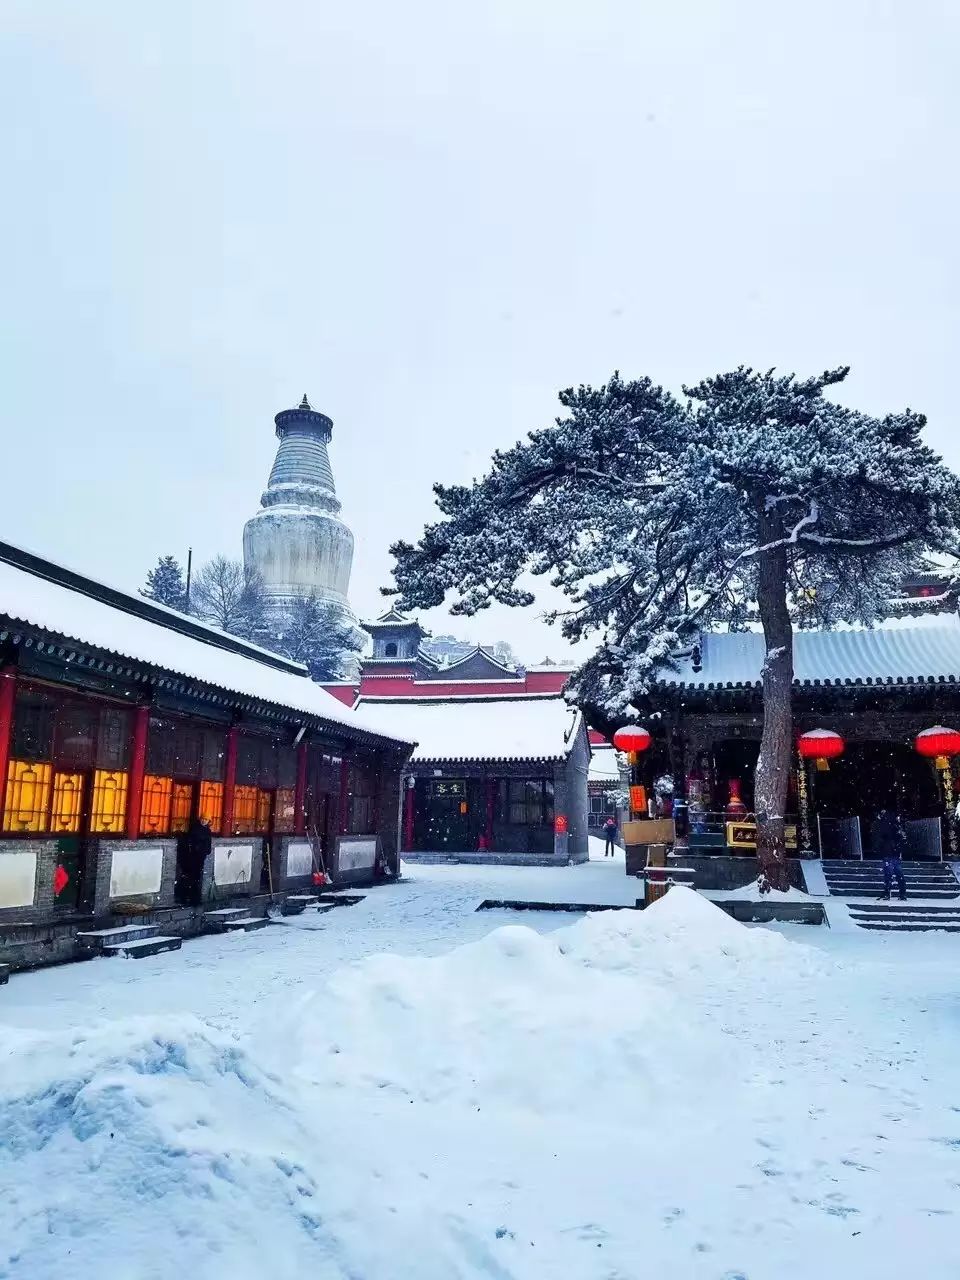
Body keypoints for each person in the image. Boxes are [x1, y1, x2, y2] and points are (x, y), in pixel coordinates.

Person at [871, 807, 907, 901]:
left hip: (889, 852)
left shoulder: (884, 825)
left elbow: (880, 837)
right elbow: (900, 837)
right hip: (893, 852)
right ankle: (901, 893)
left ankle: (888, 893)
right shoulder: (894, 825)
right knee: (898, 874)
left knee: (889, 874)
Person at [177, 815, 212, 907]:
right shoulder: (195, 829)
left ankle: (194, 898)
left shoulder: (207, 830)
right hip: (192, 857)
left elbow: (208, 843)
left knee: (196, 878)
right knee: (191, 877)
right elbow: (192, 842)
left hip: (200, 856)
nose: (204, 821)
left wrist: (207, 850)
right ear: (200, 819)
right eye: (203, 819)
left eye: (206, 819)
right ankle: (188, 898)